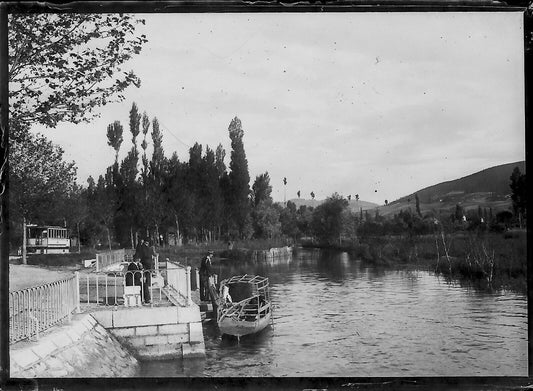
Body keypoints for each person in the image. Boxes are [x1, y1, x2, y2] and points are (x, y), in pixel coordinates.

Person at [134, 237, 157, 304]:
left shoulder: (145, 247)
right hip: (146, 263)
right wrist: (151, 256)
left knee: (147, 275)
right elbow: (145, 254)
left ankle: (148, 285)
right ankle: (147, 286)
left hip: (147, 263)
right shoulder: (144, 247)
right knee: (147, 275)